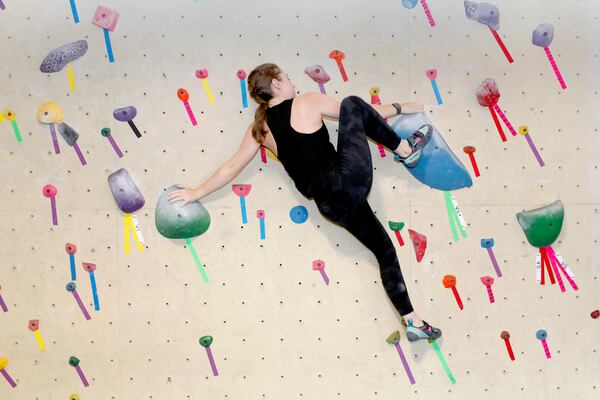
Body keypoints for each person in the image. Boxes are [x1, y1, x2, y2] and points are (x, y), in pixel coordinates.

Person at [168, 63, 442, 341]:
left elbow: (232, 167)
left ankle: (413, 321)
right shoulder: (306, 101)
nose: (291, 82)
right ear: (275, 84)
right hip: (346, 182)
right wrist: (399, 107)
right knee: (352, 103)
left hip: (331, 206)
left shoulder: (259, 128)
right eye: (286, 78)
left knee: (384, 250)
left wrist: (195, 192)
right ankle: (407, 150)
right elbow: (359, 113)